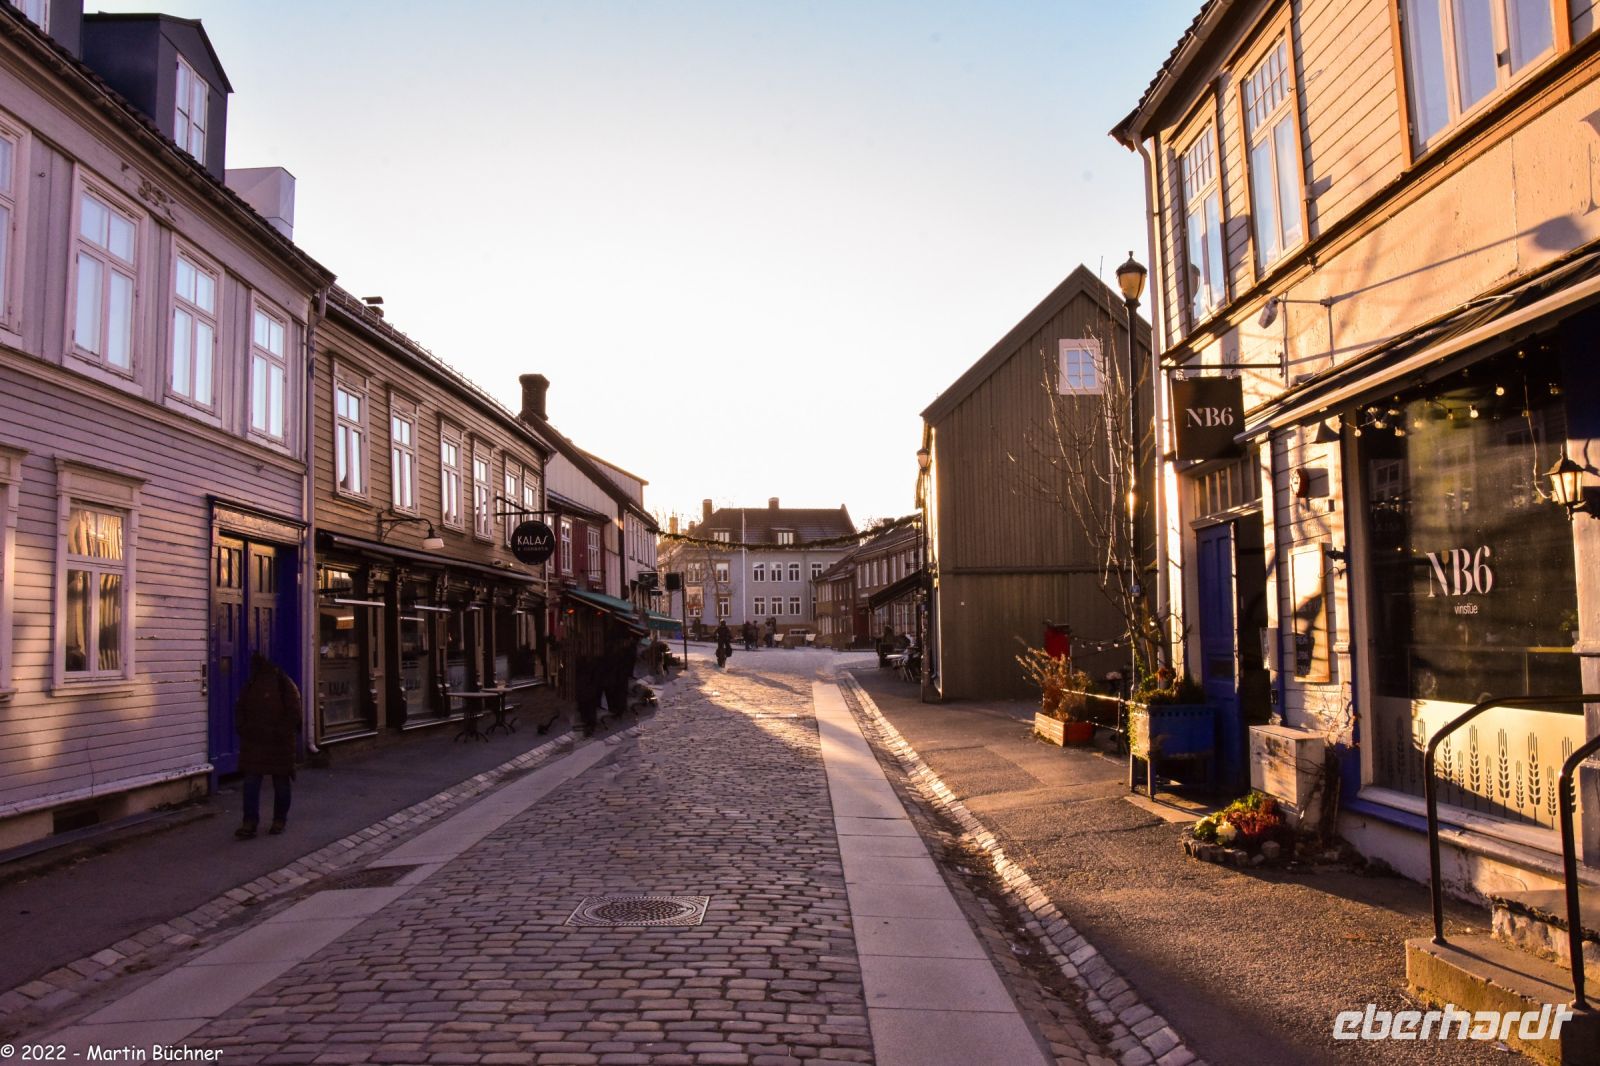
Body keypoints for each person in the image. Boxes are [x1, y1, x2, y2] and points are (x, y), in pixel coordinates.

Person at [235, 652, 302, 839]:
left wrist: (245, 729)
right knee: (275, 782)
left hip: (269, 742)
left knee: (256, 783)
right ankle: (276, 821)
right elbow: (295, 712)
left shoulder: (269, 683)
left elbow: (240, 709)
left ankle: (252, 823)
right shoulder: (280, 683)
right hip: (264, 742)